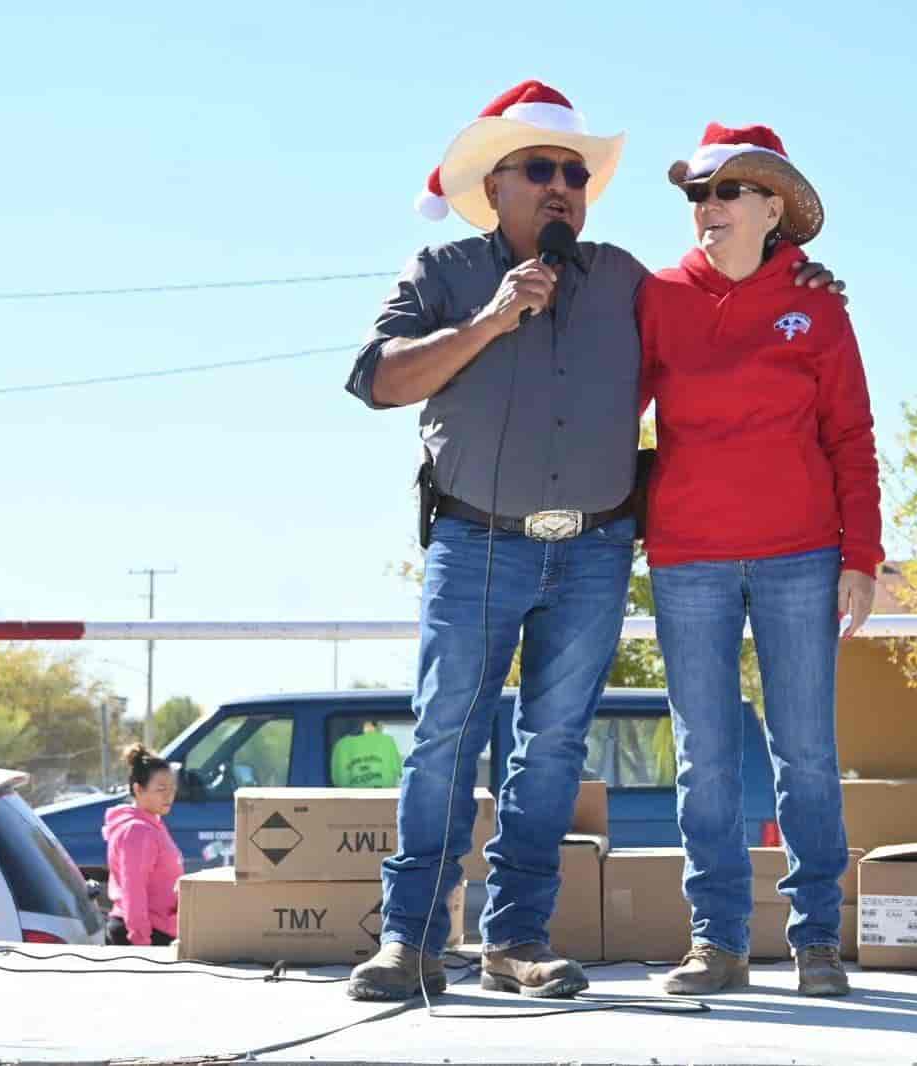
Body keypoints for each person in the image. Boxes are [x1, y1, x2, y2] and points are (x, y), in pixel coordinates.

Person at [343, 81, 839, 1002]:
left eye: (575, 171)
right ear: (495, 186)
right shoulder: (442, 270)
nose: (563, 185)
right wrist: (494, 319)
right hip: (476, 544)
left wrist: (797, 273)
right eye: (541, 169)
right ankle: (408, 939)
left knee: (555, 748)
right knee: (445, 737)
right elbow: (378, 381)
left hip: (598, 551)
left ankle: (517, 941)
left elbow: (721, 309)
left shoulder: (624, 281)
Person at [637, 124, 883, 998]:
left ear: (773, 207)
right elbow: (605, 406)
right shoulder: (656, 296)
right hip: (687, 557)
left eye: (726, 192)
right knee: (705, 754)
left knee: (806, 752)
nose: (707, 208)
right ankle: (719, 942)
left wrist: (863, 555)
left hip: (801, 558)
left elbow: (851, 437)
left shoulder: (818, 306)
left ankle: (817, 939)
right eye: (696, 194)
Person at [103, 743, 183, 947]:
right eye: (161, 789)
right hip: (143, 936)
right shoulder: (138, 831)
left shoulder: (152, 823)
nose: (169, 796)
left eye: (172, 789)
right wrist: (141, 942)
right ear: (138, 789)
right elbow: (134, 891)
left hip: (156, 930)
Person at [331, 721, 402, 788]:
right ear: (378, 724)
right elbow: (402, 772)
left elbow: (337, 781)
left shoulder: (341, 744)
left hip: (351, 799)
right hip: (384, 798)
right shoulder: (387, 741)